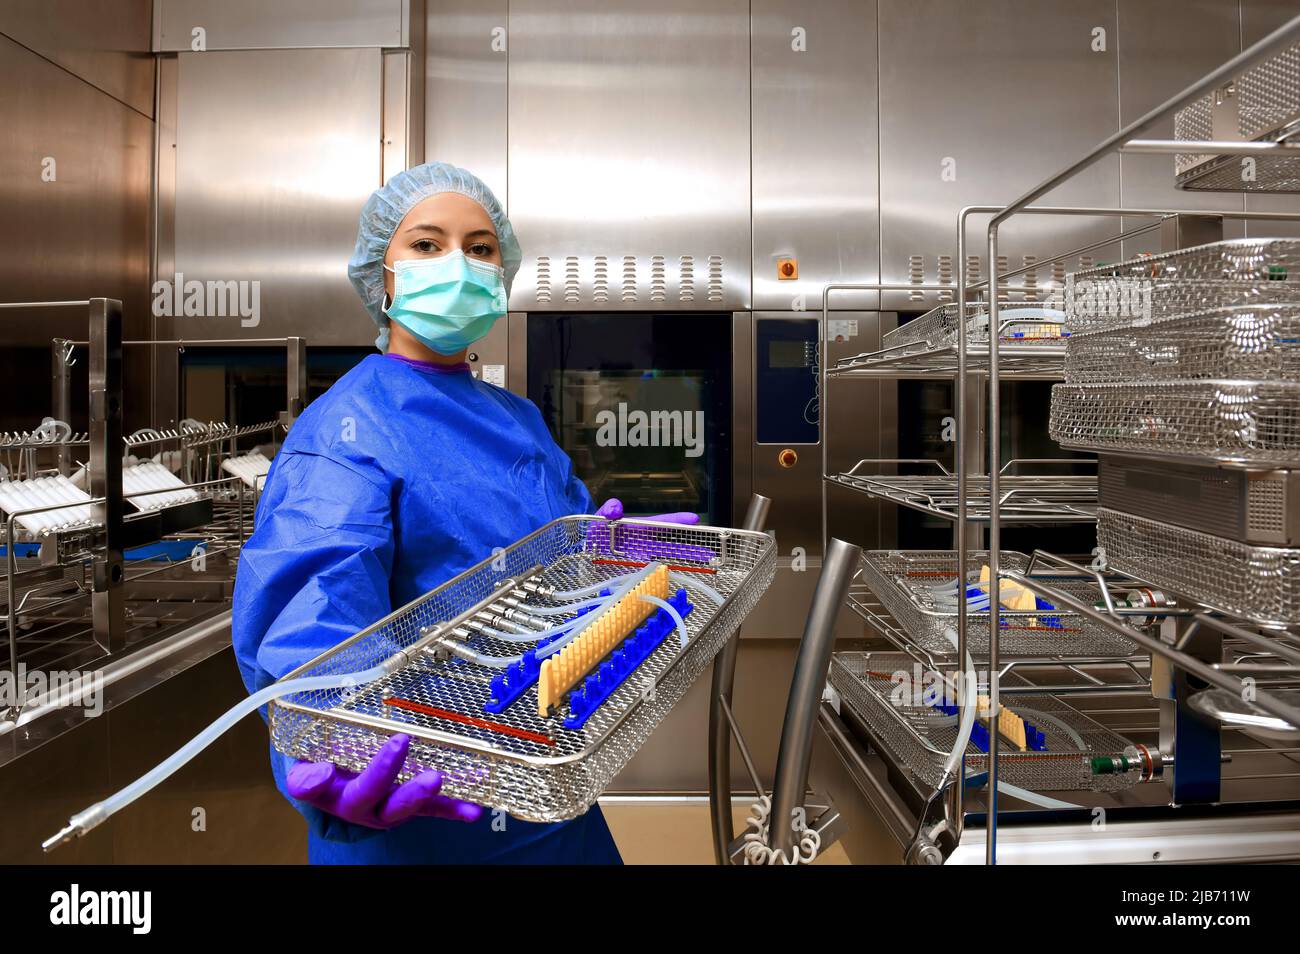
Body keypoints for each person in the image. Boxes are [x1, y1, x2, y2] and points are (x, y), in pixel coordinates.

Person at [231, 161, 696, 864]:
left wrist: (604, 560)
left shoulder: (518, 418)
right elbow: (312, 622)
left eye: (480, 248)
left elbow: (550, 564)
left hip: (549, 788)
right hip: (423, 804)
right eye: (425, 245)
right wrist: (338, 743)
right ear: (380, 277)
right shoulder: (346, 430)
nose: (459, 263)